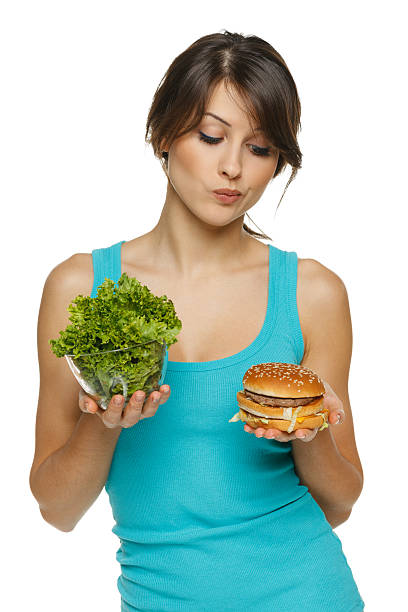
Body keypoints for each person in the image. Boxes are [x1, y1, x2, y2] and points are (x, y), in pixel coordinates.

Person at [29, 30, 365, 611]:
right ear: (163, 134)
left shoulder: (312, 293)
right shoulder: (80, 289)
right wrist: (103, 423)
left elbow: (341, 500)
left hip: (308, 593)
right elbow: (57, 510)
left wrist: (307, 433)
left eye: (260, 149)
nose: (232, 167)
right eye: (211, 136)